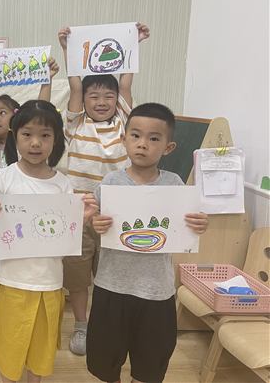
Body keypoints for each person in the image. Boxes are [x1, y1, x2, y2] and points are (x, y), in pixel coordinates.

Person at [87, 103, 209, 383]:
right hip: (111, 286)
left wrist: (200, 224)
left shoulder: (175, 185)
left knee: (151, 362)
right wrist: (95, 222)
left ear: (168, 147)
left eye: (154, 138)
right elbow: (95, 218)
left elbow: (187, 225)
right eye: (136, 135)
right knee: (105, 359)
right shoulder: (111, 181)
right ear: (124, 139)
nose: (143, 144)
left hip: (156, 290)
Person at [0, 100, 99, 383]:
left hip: (49, 280)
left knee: (41, 347)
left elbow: (65, 235)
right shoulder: (3, 178)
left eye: (45, 135)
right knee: (9, 344)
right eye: (27, 134)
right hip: (10, 278)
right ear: (15, 137)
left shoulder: (62, 184)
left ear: (56, 140)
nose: (35, 143)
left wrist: (81, 219)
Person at [57, 23, 150, 355]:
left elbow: (125, 83)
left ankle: (106, 324)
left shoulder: (125, 121)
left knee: (112, 272)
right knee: (78, 274)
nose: (101, 101)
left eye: (107, 96)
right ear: (84, 100)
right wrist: (68, 49)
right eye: (93, 96)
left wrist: (133, 43)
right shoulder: (75, 122)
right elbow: (74, 84)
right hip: (79, 210)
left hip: (116, 210)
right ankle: (81, 325)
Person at [0, 58, 59, 290]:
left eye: (2, 112)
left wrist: (47, 79)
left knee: (19, 260)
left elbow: (42, 111)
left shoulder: (26, 147)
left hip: (20, 215)